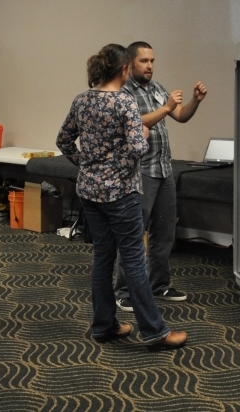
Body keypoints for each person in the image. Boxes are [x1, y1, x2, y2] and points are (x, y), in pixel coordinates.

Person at [56, 43, 187, 349]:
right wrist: (143, 134)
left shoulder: (82, 100)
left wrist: (85, 165)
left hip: (89, 192)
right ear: (125, 69)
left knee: (103, 258)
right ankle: (155, 331)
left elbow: (63, 140)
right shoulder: (124, 102)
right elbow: (139, 149)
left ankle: (104, 326)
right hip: (121, 193)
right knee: (134, 260)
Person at [114, 41, 207, 312]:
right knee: (133, 235)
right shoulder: (123, 92)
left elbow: (181, 116)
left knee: (164, 233)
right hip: (139, 172)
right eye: (144, 61)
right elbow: (135, 122)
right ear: (130, 64)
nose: (150, 66)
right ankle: (123, 291)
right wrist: (165, 108)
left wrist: (195, 102)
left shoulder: (156, 88)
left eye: (152, 60)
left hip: (163, 171)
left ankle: (158, 284)